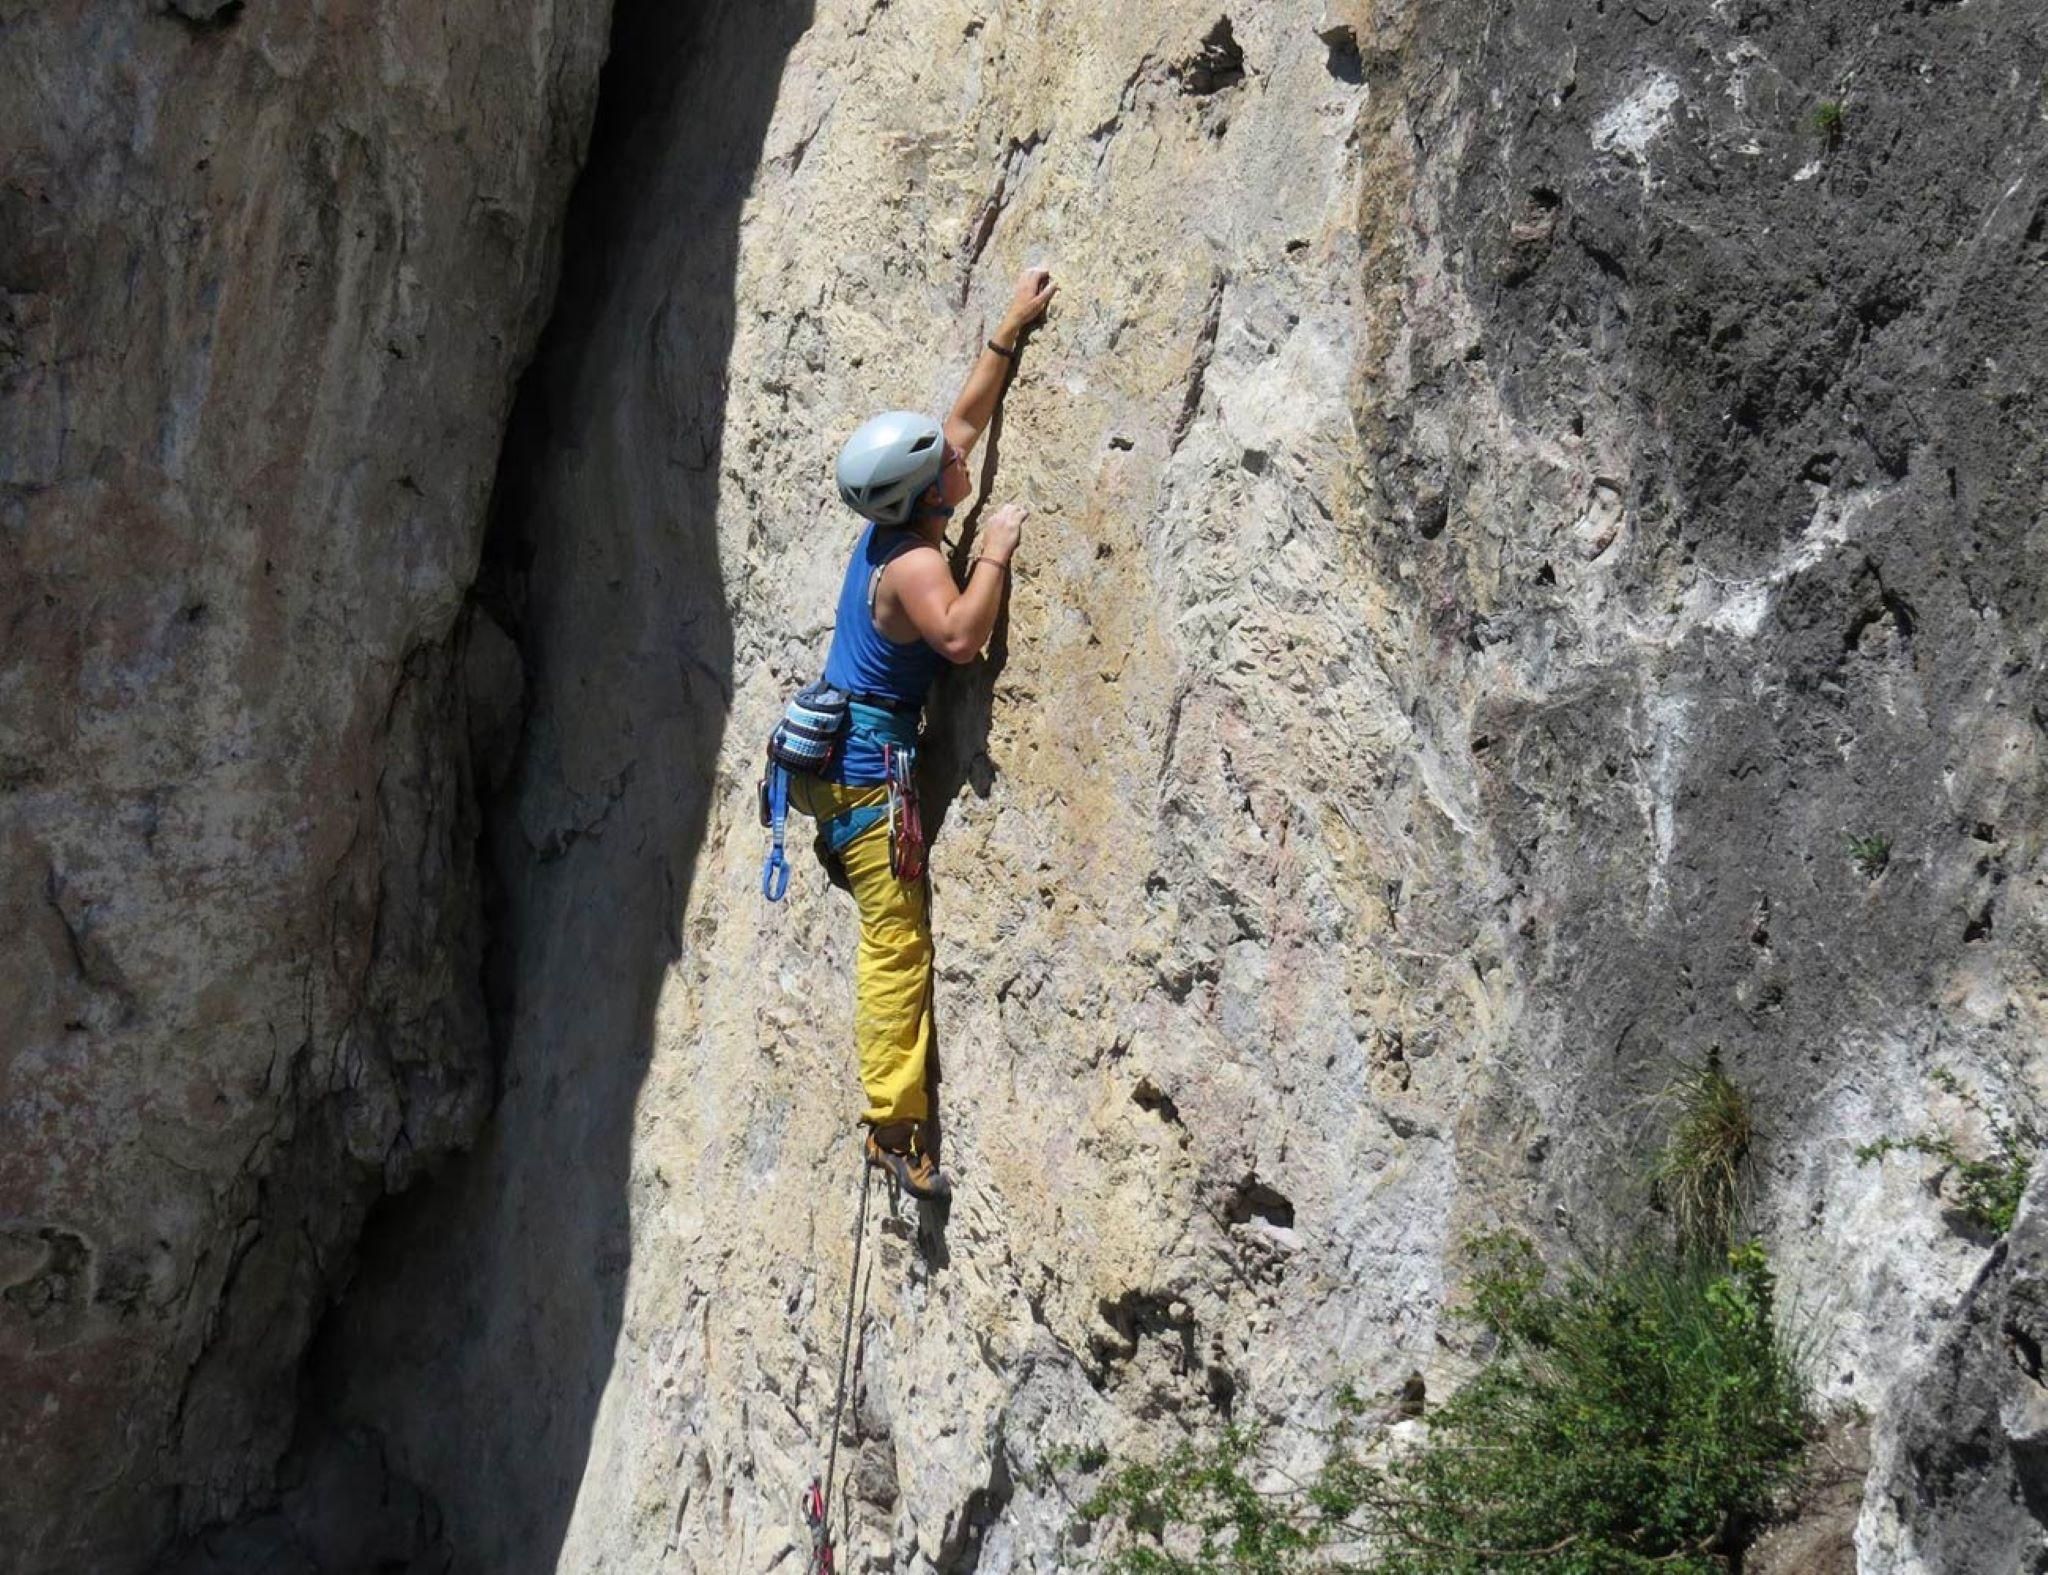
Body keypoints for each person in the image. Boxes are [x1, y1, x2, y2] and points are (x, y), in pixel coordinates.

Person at [789, 265, 1056, 1199]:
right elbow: (961, 636)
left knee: (888, 919)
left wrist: (1009, 329)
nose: (958, 455)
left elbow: (965, 421)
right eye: (945, 463)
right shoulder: (911, 563)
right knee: (895, 939)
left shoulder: (898, 516)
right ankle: (894, 1127)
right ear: (926, 494)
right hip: (865, 775)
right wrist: (996, 551)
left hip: (838, 758)